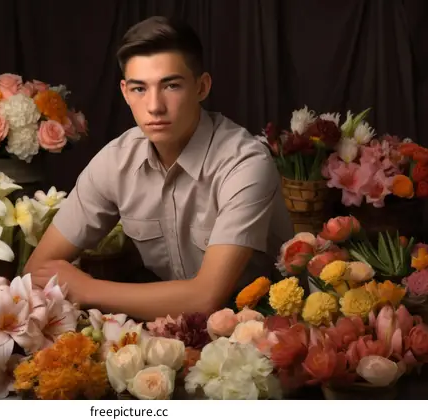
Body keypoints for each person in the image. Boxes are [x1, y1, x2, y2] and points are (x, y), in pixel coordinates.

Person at [25, 16, 293, 320]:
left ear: (202, 87)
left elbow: (206, 297)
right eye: (140, 89)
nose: (154, 106)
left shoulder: (245, 163)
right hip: (169, 326)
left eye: (171, 85)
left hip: (264, 323)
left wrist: (85, 288)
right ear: (125, 92)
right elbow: (35, 270)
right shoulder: (115, 161)